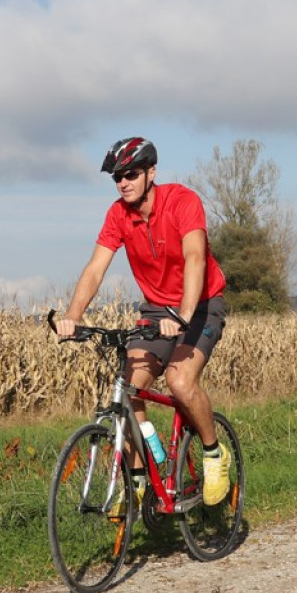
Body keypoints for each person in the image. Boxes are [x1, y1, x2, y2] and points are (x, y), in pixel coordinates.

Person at [56, 137, 233, 508]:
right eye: (118, 177)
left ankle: (214, 453)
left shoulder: (183, 201)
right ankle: (140, 479)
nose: (123, 182)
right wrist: (73, 316)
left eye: (131, 174)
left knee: (180, 382)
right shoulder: (118, 214)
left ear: (151, 172)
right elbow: (95, 268)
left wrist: (183, 316)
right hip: (155, 310)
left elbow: (196, 258)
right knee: (128, 389)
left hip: (200, 305)